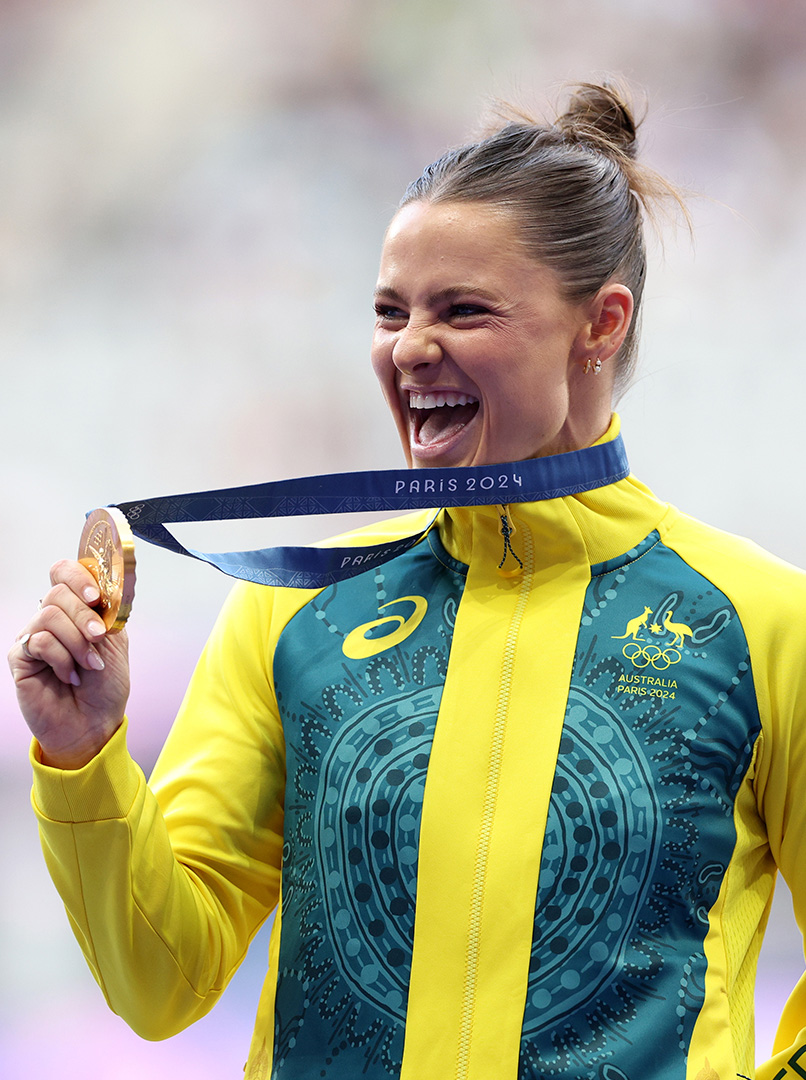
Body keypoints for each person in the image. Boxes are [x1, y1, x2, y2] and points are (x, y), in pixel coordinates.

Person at [9, 82, 806, 1080]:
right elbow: (160, 980)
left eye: (462, 310)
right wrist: (83, 758)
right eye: (389, 312)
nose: (409, 347)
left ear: (599, 325)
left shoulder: (763, 625)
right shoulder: (294, 606)